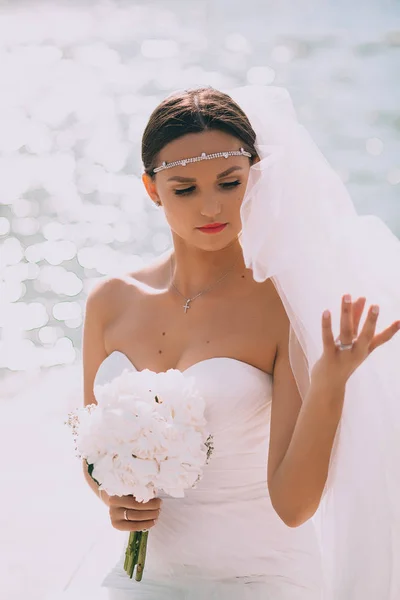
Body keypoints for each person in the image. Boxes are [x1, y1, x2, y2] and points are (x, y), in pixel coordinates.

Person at [77, 86, 400, 600]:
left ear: (255, 178)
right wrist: (112, 495)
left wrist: (330, 382)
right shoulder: (109, 302)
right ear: (151, 188)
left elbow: (294, 506)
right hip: (140, 579)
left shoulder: (281, 304)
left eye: (229, 183)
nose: (211, 206)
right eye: (184, 189)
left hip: (258, 580)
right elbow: (93, 447)